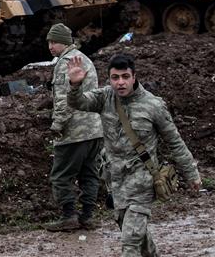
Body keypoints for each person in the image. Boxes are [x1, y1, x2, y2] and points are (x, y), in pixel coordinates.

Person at [67, 54, 201, 257]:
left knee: (130, 242)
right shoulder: (105, 98)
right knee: (134, 231)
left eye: (125, 76)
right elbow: (79, 103)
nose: (120, 82)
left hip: (143, 181)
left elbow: (175, 142)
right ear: (109, 79)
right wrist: (75, 85)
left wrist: (191, 173)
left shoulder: (153, 105)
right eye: (115, 77)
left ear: (134, 76)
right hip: (116, 181)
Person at [43, 23, 103, 232]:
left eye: (55, 42)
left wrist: (57, 124)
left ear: (65, 43)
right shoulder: (84, 59)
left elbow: (64, 99)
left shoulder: (65, 63)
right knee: (89, 174)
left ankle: (69, 216)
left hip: (74, 131)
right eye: (49, 41)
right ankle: (87, 216)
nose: (50, 46)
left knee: (61, 175)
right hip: (95, 130)